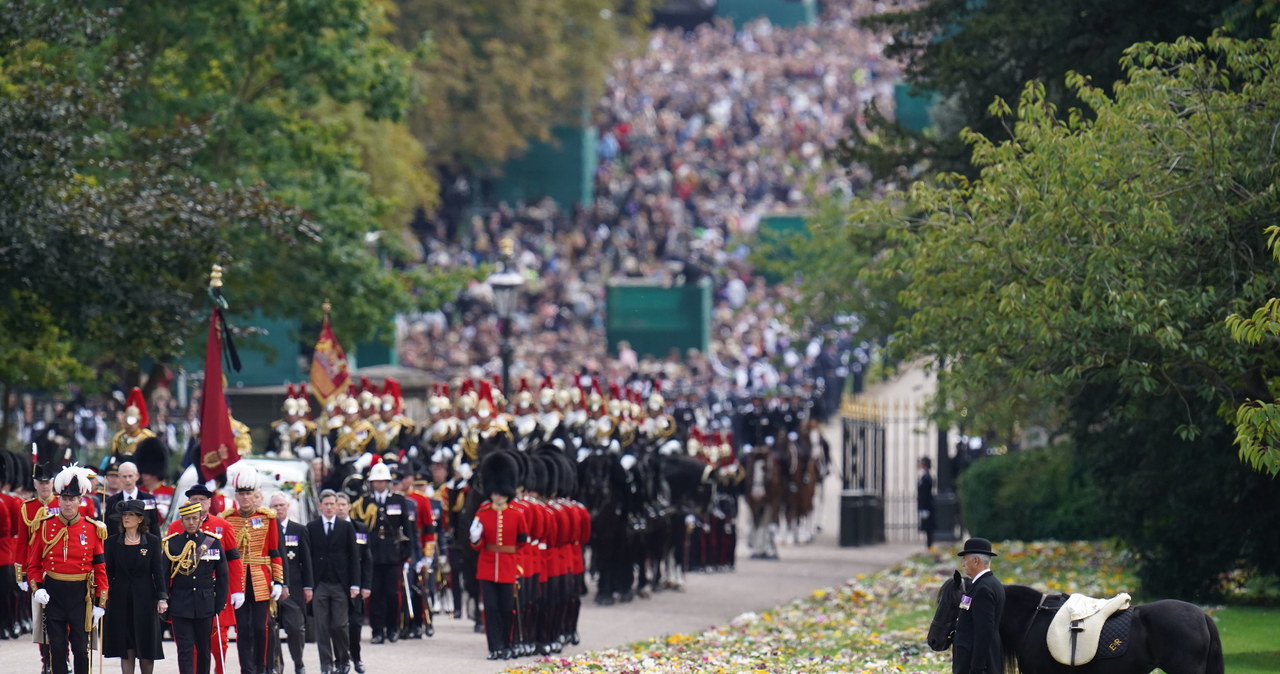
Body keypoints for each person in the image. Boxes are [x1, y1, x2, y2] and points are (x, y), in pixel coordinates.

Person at [25, 465, 109, 674]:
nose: (68, 503)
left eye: (72, 499)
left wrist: (101, 602)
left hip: (80, 595)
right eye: (64, 498)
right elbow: (33, 564)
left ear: (80, 501)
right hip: (54, 593)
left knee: (81, 649)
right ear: (58, 499)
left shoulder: (92, 529)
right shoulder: (44, 525)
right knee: (57, 647)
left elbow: (100, 568)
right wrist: (38, 588)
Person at [221, 467, 283, 674]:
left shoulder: (267, 517)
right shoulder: (227, 518)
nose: (245, 498)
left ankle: (262, 667)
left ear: (254, 494)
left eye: (248, 493)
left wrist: (279, 580)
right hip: (237, 581)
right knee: (242, 629)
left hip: (260, 578)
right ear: (236, 495)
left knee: (260, 626)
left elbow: (275, 551)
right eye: (241, 494)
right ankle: (246, 669)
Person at [470, 452, 528, 660]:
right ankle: (493, 647)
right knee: (491, 610)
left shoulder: (517, 514)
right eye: (494, 492)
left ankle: (508, 644)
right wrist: (476, 538)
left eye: (501, 492)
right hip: (487, 568)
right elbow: (477, 546)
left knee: (507, 609)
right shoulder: (482, 512)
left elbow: (522, 544)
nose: (497, 496)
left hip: (508, 567)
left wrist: (519, 567)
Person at [349, 462, 414, 644]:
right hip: (373, 552)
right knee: (375, 594)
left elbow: (407, 529)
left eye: (382, 481)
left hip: (393, 553)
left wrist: (407, 553)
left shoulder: (398, 500)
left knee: (393, 594)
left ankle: (393, 628)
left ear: (388, 482)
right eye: (376, 481)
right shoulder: (365, 502)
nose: (379, 484)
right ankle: (377, 631)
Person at [164, 501, 230, 674]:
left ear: (201, 519)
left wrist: (219, 603)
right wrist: (164, 599)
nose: (191, 522)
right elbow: (164, 576)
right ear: (182, 521)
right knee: (184, 649)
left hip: (205, 603)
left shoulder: (212, 542)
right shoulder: (172, 544)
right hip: (180, 603)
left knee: (203, 649)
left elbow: (223, 575)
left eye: (194, 518)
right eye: (187, 519)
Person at [103, 498, 166, 674]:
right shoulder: (112, 542)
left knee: (146, 645)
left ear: (140, 519)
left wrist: (162, 597)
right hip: (120, 599)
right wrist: (102, 595)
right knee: (126, 645)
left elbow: (158, 572)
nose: (126, 518)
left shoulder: (152, 541)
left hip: (145, 598)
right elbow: (108, 572)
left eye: (131, 515)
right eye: (124, 515)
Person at [307, 490, 359, 674]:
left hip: (340, 584)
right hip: (320, 583)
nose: (329, 507)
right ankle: (326, 664)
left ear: (337, 505)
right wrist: (309, 584)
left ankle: (343, 660)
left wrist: (355, 584)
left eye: (332, 504)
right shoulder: (312, 527)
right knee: (321, 627)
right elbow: (308, 557)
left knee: (339, 625)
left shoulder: (346, 527)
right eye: (326, 504)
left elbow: (354, 557)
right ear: (320, 506)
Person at [271, 492, 313, 674]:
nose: (278, 509)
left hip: (294, 589)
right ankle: (275, 664)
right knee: (271, 629)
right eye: (274, 506)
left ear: (288, 507)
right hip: (271, 588)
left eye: (281, 505)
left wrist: (308, 586)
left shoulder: (299, 530)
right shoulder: (266, 528)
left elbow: (307, 561)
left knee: (296, 627)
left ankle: (299, 662)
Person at [953, 538, 1006, 674]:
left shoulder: (983, 588)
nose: (963, 564)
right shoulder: (990, 583)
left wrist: (977, 668)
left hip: (977, 664)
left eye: (965, 559)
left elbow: (984, 632)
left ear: (976, 561)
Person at [335, 491, 371, 674]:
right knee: (337, 624)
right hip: (336, 583)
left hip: (355, 583)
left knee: (355, 623)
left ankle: (356, 657)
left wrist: (366, 585)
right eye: (337, 504)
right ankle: (340, 659)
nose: (340, 508)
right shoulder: (331, 529)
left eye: (343, 505)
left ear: (349, 506)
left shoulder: (360, 529)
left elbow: (366, 559)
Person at [104, 462, 161, 539]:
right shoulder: (112, 501)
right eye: (124, 477)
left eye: (130, 476)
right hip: (119, 544)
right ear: (119, 477)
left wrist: (157, 547)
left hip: (144, 543)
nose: (128, 480)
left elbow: (154, 525)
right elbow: (109, 527)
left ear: (137, 476)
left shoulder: (148, 498)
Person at [917, 456, 935, 549]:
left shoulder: (926, 476)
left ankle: (929, 545)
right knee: (926, 527)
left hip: (927, 506)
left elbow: (925, 494)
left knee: (928, 528)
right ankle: (928, 545)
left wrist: (924, 507)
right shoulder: (924, 475)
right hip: (924, 505)